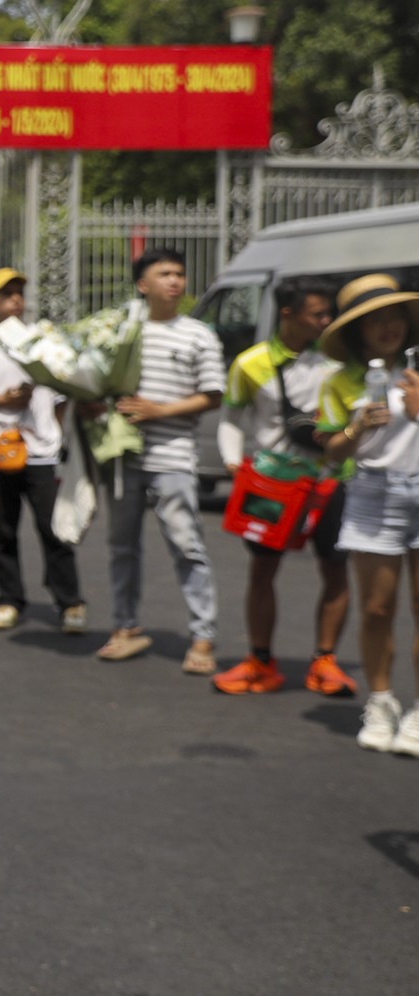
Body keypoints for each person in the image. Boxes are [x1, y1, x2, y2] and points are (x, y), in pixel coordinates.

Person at [214, 279, 354, 696]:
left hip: (330, 481)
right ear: (288, 314)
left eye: (329, 313)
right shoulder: (250, 363)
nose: (327, 321)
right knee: (262, 570)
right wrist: (234, 464)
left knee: (335, 569)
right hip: (271, 484)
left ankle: (325, 662)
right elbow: (230, 418)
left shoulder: (338, 363)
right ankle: (260, 662)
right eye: (318, 314)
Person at [95, 248, 225, 672]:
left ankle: (203, 638)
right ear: (142, 284)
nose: (174, 280)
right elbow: (95, 379)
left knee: (187, 545)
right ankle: (125, 628)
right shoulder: (118, 330)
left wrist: (159, 411)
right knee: (121, 546)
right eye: (164, 273)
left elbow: (212, 395)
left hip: (173, 457)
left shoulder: (198, 335)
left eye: (180, 273)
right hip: (123, 456)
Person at [315, 275, 419, 751]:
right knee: (378, 607)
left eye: (394, 317)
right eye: (375, 320)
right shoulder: (340, 382)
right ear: (358, 331)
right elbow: (331, 453)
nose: (387, 326)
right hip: (373, 493)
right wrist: (356, 428)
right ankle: (381, 700)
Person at [0, 269, 86, 633]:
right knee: (3, 527)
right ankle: (9, 599)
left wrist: (58, 436)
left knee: (53, 527)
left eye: (19, 293)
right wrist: (3, 400)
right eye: (6, 294)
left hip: (41, 449)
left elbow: (62, 395)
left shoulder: (44, 342)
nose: (15, 299)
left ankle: (70, 601)